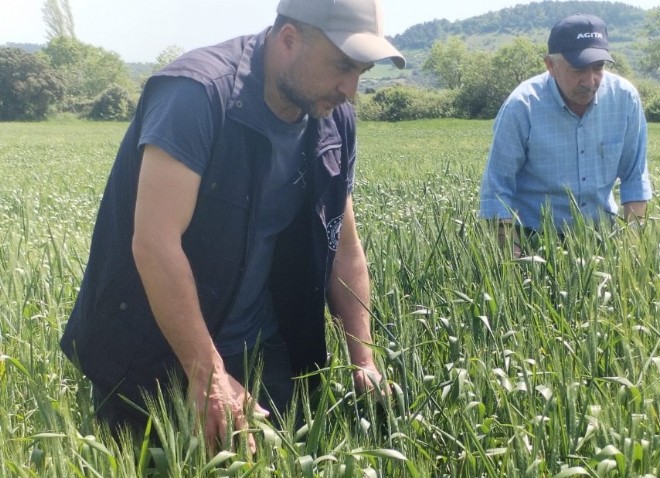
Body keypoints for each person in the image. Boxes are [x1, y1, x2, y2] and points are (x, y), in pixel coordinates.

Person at [60, 0, 405, 450]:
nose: (350, 89)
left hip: (261, 344)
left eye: (361, 72)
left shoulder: (333, 119)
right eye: (341, 66)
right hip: (152, 347)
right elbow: (155, 243)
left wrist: (363, 357)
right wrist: (208, 375)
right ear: (288, 40)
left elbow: (343, 244)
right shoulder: (197, 95)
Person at [479, 13, 652, 253]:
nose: (590, 80)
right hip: (534, 238)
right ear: (550, 65)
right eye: (578, 69)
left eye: (598, 67)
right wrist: (514, 263)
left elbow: (635, 177)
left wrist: (633, 250)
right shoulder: (522, 106)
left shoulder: (625, 98)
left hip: (601, 235)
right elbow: (496, 190)